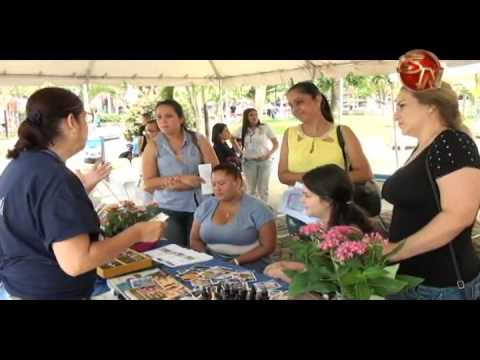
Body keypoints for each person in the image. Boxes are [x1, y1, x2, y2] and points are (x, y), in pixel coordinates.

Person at [0, 87, 166, 300]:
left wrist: (81, 189)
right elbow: (77, 261)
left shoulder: (20, 165)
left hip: (21, 288)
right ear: (72, 121)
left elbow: (36, 219)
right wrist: (138, 233)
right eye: (85, 118)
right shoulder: (52, 176)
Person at [381, 82, 480, 300]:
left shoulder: (452, 143)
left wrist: (395, 250)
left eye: (402, 105)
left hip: (439, 286)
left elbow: (459, 216)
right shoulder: (426, 146)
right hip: (409, 279)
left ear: (431, 106)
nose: (396, 115)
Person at [278, 81, 373, 234]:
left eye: (299, 102)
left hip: (336, 213)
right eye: (291, 105)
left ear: (318, 99)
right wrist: (316, 180)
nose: (295, 109)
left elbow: (364, 173)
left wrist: (323, 182)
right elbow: (283, 175)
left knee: (339, 254)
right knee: (306, 255)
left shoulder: (342, 132)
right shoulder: (289, 134)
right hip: (299, 212)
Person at [265, 164, 374, 283]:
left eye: (307, 195)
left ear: (327, 200)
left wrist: (288, 276)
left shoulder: (347, 234)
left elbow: (339, 283)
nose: (302, 200)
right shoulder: (326, 225)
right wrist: (288, 265)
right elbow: (324, 268)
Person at [143, 99, 219, 247]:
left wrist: (198, 180)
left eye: (168, 116)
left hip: (200, 206)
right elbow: (148, 182)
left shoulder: (198, 140)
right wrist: (179, 180)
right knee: (175, 252)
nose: (163, 121)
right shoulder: (153, 145)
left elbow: (216, 171)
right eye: (159, 117)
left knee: (200, 252)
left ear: (181, 118)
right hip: (167, 208)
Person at [190, 163, 277, 272]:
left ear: (238, 182)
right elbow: (194, 239)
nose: (217, 188)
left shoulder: (259, 209)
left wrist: (236, 261)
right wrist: (207, 259)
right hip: (212, 266)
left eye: (222, 183)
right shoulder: (206, 206)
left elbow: (268, 246)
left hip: (250, 266)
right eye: (214, 184)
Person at [233, 108, 279, 204]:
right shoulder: (242, 129)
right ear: (246, 117)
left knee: (263, 189)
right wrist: (239, 151)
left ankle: (264, 210)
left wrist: (268, 154)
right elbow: (232, 137)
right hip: (249, 162)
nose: (254, 117)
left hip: (265, 162)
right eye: (251, 115)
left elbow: (276, 143)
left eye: (256, 115)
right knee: (251, 190)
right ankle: (253, 210)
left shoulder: (264, 127)